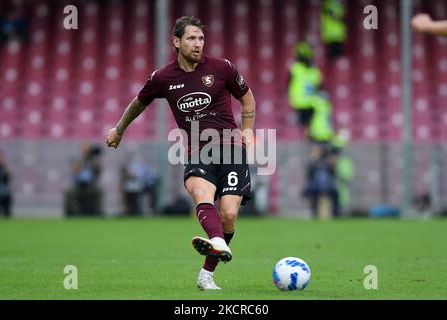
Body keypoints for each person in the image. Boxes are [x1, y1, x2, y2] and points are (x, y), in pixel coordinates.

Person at [105, 16, 256, 290]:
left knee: (229, 215)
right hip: (198, 150)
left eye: (200, 39)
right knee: (201, 194)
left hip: (232, 149)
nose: (198, 44)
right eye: (191, 38)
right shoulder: (163, 77)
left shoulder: (222, 68)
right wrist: (119, 129)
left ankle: (206, 273)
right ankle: (218, 242)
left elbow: (247, 98)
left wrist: (247, 130)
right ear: (176, 41)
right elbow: (138, 104)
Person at [288, 41, 323, 139]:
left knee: (309, 125)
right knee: (306, 125)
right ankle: (307, 141)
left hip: (306, 102)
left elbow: (318, 85)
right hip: (303, 102)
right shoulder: (298, 68)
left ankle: (309, 142)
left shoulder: (298, 68)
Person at [64, 142, 103, 216]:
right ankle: (72, 212)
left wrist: (93, 161)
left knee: (99, 190)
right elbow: (73, 172)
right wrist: (77, 167)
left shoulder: (93, 160)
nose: (85, 150)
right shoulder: (77, 159)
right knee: (69, 192)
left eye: (86, 148)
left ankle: (97, 212)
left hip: (90, 185)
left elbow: (98, 173)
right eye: (83, 148)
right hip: (78, 185)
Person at [0, 151, 12, 217]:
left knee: (6, 195)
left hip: (1, 189)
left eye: (0, 157)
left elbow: (7, 179)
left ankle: (7, 214)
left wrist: (6, 174)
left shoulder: (3, 167)